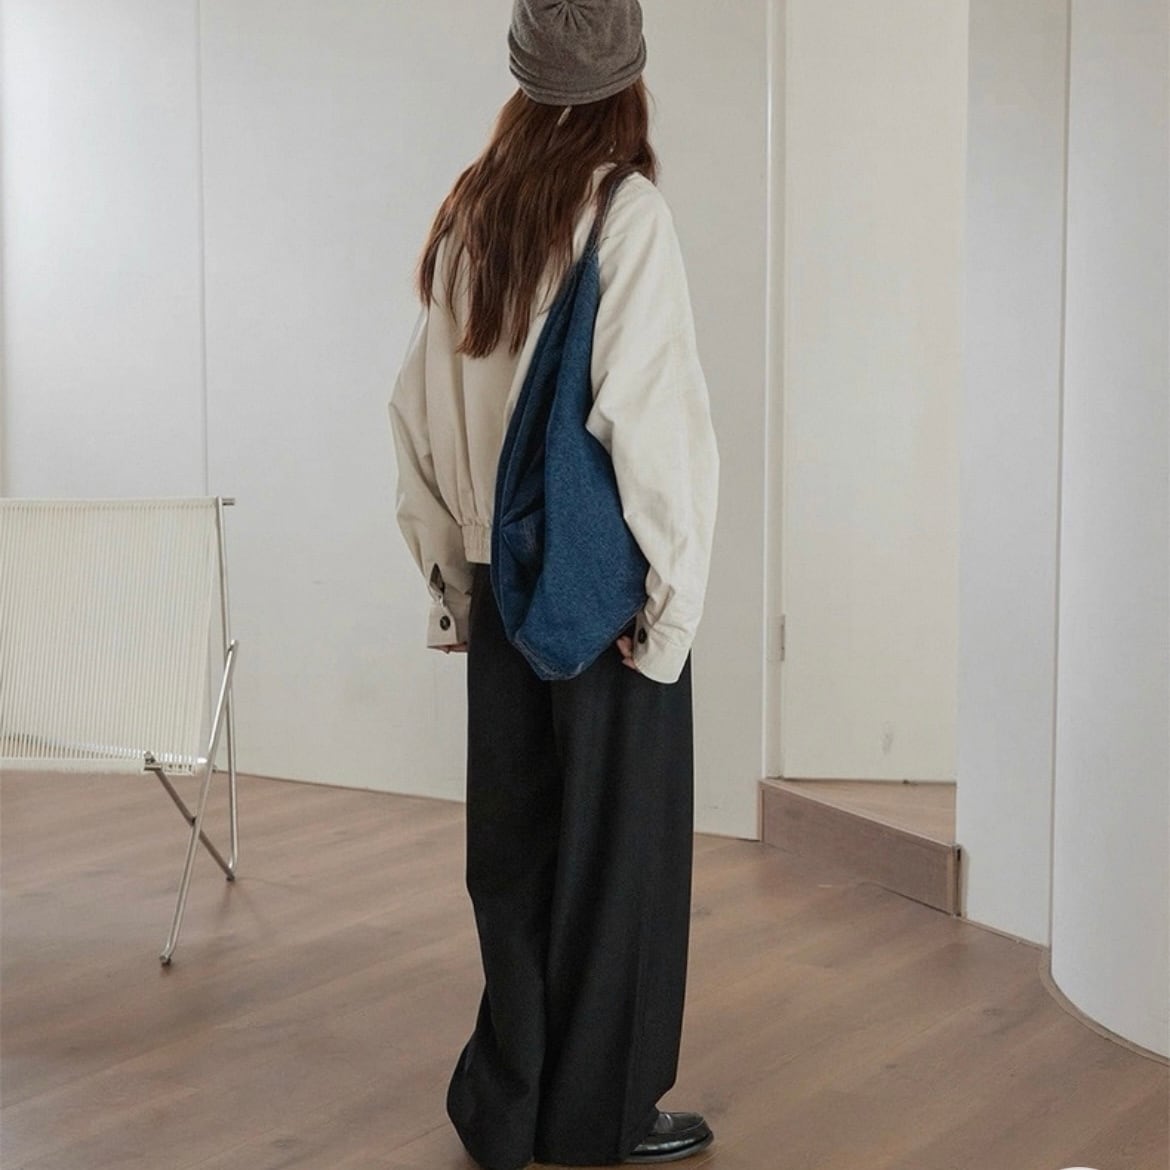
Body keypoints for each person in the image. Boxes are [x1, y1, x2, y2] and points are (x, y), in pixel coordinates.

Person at [388, 2, 719, 1166]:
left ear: (523, 75)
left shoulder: (473, 212)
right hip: (600, 602)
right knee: (619, 865)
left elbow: (418, 416)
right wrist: (670, 613)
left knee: (515, 855)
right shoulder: (626, 214)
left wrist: (452, 582)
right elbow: (654, 432)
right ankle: (599, 1118)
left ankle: (509, 1105)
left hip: (498, 590)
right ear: (629, 78)